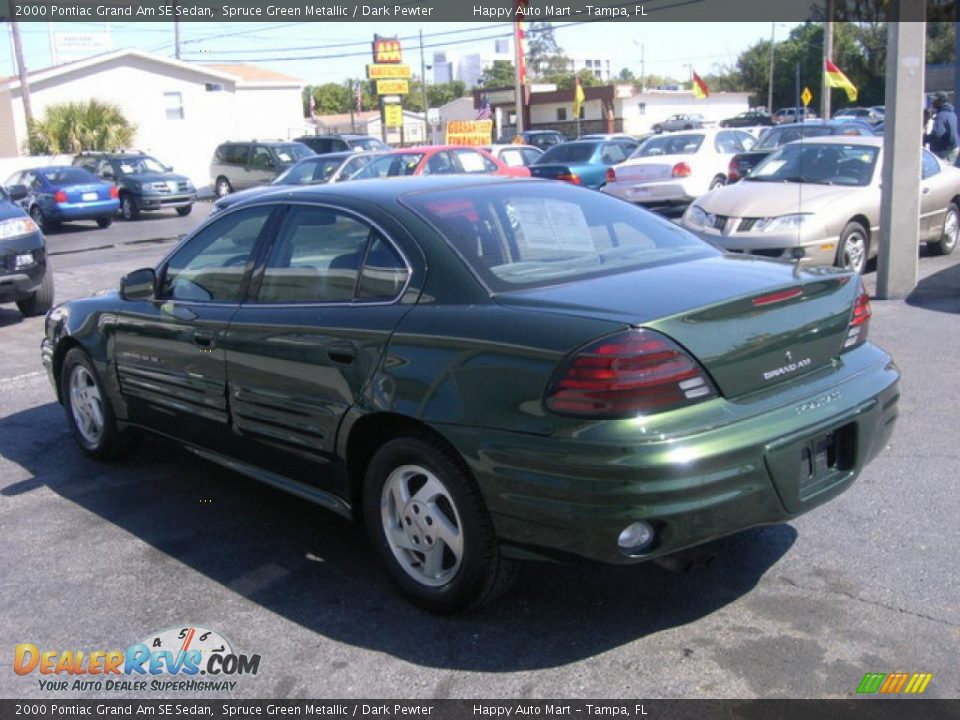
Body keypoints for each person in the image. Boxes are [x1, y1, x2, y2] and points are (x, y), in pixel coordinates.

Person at [924, 92, 958, 164]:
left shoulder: (941, 116)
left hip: (945, 150)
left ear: (940, 101)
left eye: (934, 100)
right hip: (953, 148)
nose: (932, 102)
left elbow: (938, 133)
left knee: (944, 172)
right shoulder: (950, 113)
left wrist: (924, 139)